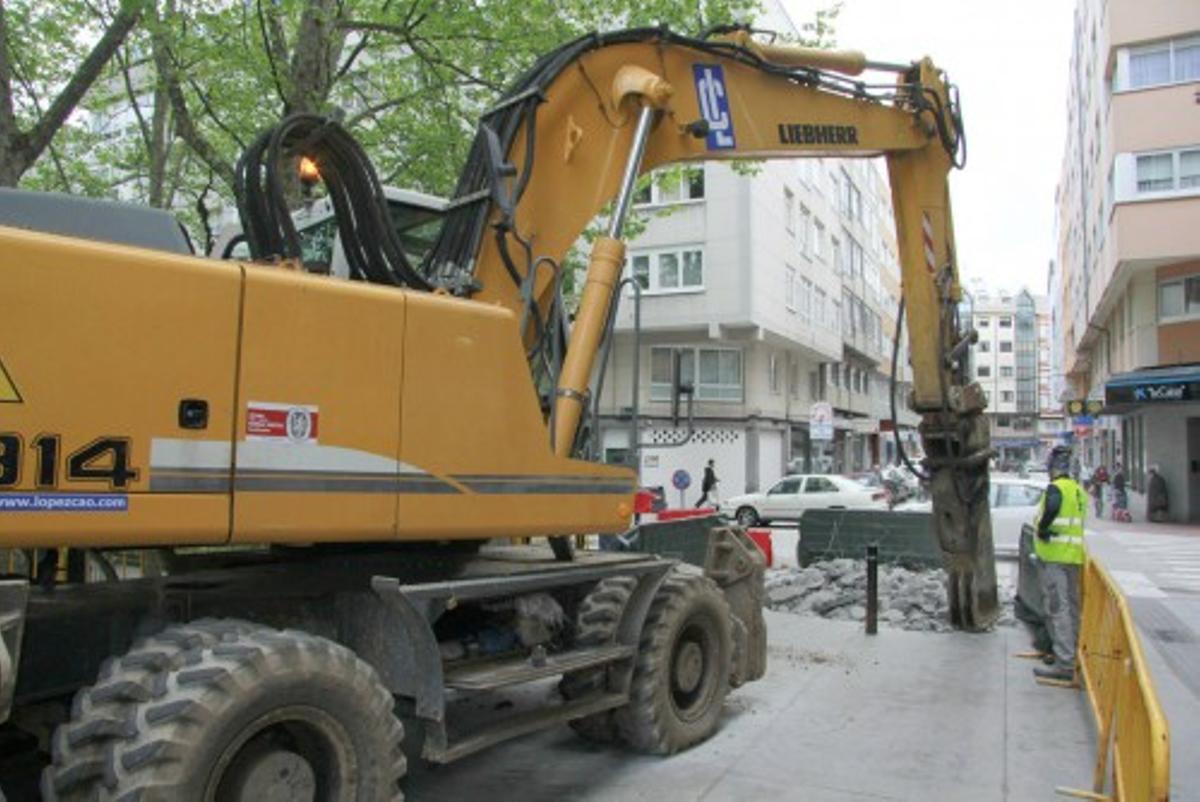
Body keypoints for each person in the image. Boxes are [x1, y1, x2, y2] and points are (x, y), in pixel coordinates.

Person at [1032, 445, 1089, 682]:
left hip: (1055, 557)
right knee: (1072, 609)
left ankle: (1064, 663)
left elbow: (1052, 508)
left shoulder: (1056, 488)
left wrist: (1044, 528)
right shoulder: (1078, 490)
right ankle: (1072, 656)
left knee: (1058, 609)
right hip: (1073, 557)